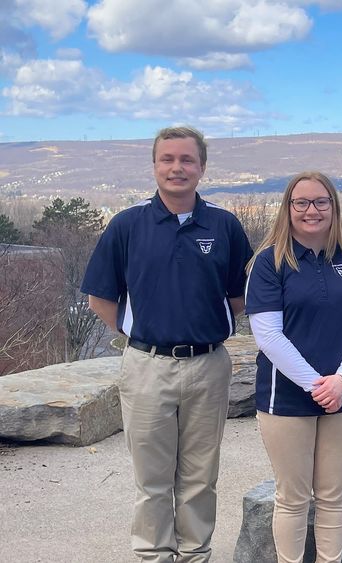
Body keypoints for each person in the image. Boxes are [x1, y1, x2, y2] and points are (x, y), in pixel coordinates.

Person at [81, 126, 253, 562]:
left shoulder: (224, 225)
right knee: (152, 478)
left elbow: (240, 293)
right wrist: (137, 332)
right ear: (155, 165)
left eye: (187, 160)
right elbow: (100, 296)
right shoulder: (127, 225)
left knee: (200, 475)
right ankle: (154, 555)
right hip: (146, 367)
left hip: (208, 365)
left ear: (202, 167)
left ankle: (196, 554)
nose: (177, 168)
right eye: (168, 159)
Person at [245, 171, 342, 563]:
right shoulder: (268, 263)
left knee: (335, 493)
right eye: (301, 202)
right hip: (284, 395)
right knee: (292, 497)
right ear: (288, 209)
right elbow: (268, 336)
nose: (311, 210)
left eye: (321, 202)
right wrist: (315, 385)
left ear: (334, 207)